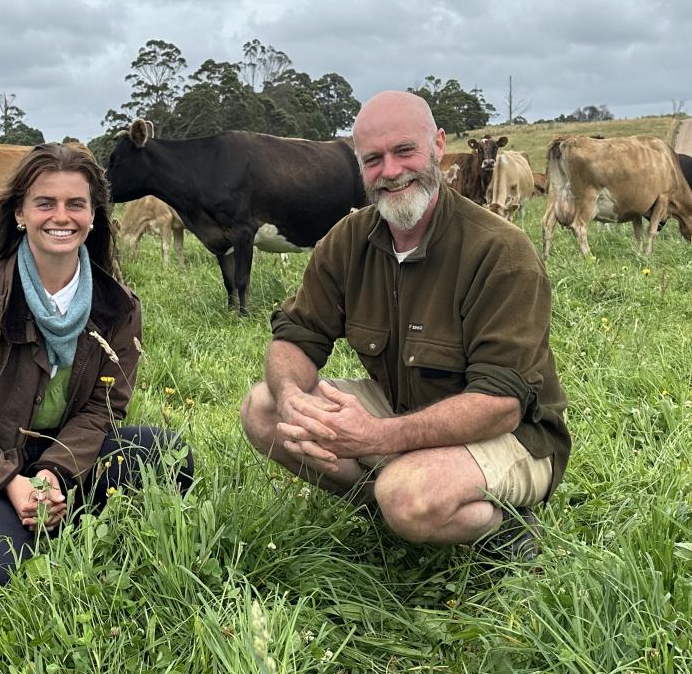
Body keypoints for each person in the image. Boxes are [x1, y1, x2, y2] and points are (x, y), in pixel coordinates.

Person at [240, 91, 569, 559]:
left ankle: (506, 531)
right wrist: (293, 396)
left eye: (404, 151)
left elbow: (500, 407)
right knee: (264, 407)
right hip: (402, 411)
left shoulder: (500, 250)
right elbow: (296, 337)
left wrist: (374, 437)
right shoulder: (347, 240)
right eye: (373, 159)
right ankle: (389, 511)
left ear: (438, 145)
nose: (390, 172)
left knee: (408, 496)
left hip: (513, 438)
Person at [0, 142, 193, 593]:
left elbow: (104, 409)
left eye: (76, 204)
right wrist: (9, 480)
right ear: (19, 214)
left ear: (94, 216)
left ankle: (52, 514)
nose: (61, 216)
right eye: (45, 203)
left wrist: (55, 470)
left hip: (64, 460)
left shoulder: (118, 306)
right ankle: (3, 531)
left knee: (169, 456)